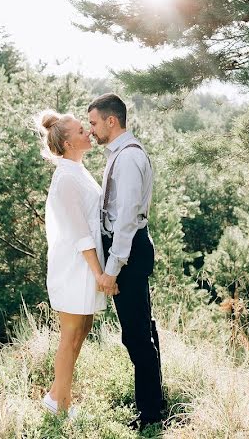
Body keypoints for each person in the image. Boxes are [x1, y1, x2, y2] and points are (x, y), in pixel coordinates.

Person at [87, 93, 166, 430]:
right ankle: (156, 401)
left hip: (129, 251)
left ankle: (150, 416)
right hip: (127, 250)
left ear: (111, 121)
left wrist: (111, 269)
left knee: (135, 336)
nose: (90, 130)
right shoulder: (118, 154)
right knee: (142, 328)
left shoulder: (129, 158)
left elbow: (127, 220)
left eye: (93, 123)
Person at [35, 109, 115, 418]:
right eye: (82, 131)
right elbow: (81, 233)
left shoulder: (78, 170)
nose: (89, 133)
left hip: (84, 266)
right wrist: (100, 273)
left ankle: (57, 394)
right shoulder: (65, 179)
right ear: (68, 143)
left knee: (84, 328)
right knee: (70, 336)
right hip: (73, 268)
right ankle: (60, 406)